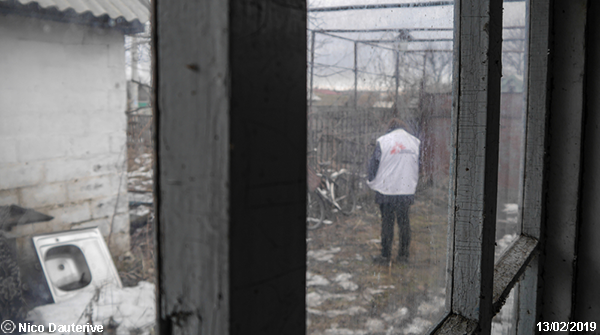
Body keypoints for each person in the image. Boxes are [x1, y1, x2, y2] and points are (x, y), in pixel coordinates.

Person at [367, 118, 420, 264]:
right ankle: (403, 256)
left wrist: (371, 182)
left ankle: (385, 256)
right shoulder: (415, 142)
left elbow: (374, 164)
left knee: (387, 223)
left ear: (389, 128)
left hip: (386, 190)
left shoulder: (383, 141)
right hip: (406, 189)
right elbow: (419, 165)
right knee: (404, 223)